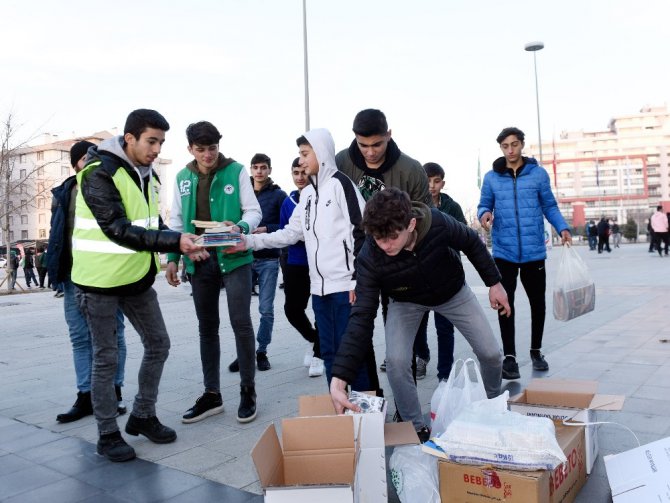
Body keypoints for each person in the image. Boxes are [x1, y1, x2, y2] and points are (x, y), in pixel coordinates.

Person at [71, 109, 204, 462]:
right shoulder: (98, 173)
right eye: (151, 140)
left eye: (161, 142)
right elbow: (117, 228)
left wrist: (175, 249)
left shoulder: (146, 173)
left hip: (135, 277)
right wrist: (175, 242)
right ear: (129, 138)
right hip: (98, 282)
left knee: (159, 344)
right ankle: (107, 433)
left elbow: (151, 221)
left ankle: (143, 415)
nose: (157, 148)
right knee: (106, 358)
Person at [330, 188, 508, 441]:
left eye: (392, 237)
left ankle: (493, 408)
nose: (385, 246)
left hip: (452, 292)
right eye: (379, 239)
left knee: (491, 353)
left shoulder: (436, 222)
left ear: (411, 224)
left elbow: (470, 241)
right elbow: (361, 317)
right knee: (396, 361)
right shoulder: (371, 255)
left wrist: (495, 283)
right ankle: (415, 427)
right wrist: (339, 379)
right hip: (405, 301)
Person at [226, 128, 373, 391]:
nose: (301, 161)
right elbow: (290, 234)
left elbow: (363, 230)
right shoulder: (305, 195)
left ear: (322, 153)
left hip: (345, 289)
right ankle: (340, 411)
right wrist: (247, 241)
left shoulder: (341, 185)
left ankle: (365, 416)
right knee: (327, 354)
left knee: (352, 355)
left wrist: (356, 280)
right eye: (300, 155)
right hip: (319, 289)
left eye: (305, 154)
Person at [166, 121, 261, 425]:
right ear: (190, 149)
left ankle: (248, 390)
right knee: (207, 328)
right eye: (201, 149)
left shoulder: (236, 171)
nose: (208, 154)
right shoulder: (182, 178)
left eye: (212, 148)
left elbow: (253, 211)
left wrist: (241, 228)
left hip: (234, 257)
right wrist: (172, 257)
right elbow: (177, 222)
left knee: (241, 323)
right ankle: (212, 394)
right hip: (200, 260)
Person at [336, 108, 430, 379]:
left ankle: (404, 402)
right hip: (357, 261)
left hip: (399, 261)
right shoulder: (341, 162)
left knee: (400, 342)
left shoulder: (411, 169)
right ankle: (369, 394)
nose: (369, 152)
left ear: (389, 135)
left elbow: (424, 217)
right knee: (358, 326)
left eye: (376, 144)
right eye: (362, 145)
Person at [478, 127, 571, 380]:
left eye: (515, 144)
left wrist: (561, 227)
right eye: (506, 146)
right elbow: (484, 204)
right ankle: (509, 357)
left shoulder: (538, 175)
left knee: (537, 302)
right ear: (501, 148)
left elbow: (549, 205)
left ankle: (536, 351)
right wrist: (485, 215)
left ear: (522, 145)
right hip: (504, 252)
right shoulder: (491, 177)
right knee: (505, 303)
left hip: (533, 251)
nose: (511, 150)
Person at [48, 140, 129, 424]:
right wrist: (55, 273)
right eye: (87, 157)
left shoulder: (110, 185)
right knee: (80, 337)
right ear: (77, 162)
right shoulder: (63, 192)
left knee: (113, 335)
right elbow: (57, 233)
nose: (94, 161)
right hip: (73, 276)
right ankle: (85, 395)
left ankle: (114, 393)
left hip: (107, 275)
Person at [413, 162, 467, 381]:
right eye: (428, 181)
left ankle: (445, 373)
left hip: (446, 276)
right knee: (418, 324)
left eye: (436, 181)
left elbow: (463, 235)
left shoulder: (452, 207)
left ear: (442, 183)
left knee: (445, 327)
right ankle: (422, 355)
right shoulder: (415, 206)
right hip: (420, 276)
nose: (432, 186)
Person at [279, 157, 323, 377]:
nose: (299, 177)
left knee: (321, 309)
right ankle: (315, 338)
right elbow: (286, 232)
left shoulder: (322, 196)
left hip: (320, 261)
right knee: (292, 309)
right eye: (295, 173)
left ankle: (319, 353)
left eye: (303, 173)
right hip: (295, 262)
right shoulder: (288, 201)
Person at [244, 153, 287, 371]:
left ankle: (261, 351)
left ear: (269, 170)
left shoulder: (279, 195)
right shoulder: (243, 193)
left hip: (269, 258)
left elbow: (287, 224)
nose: (259, 171)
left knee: (265, 309)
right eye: (255, 167)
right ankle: (245, 351)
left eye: (263, 167)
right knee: (240, 312)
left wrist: (266, 228)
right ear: (250, 169)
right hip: (244, 257)